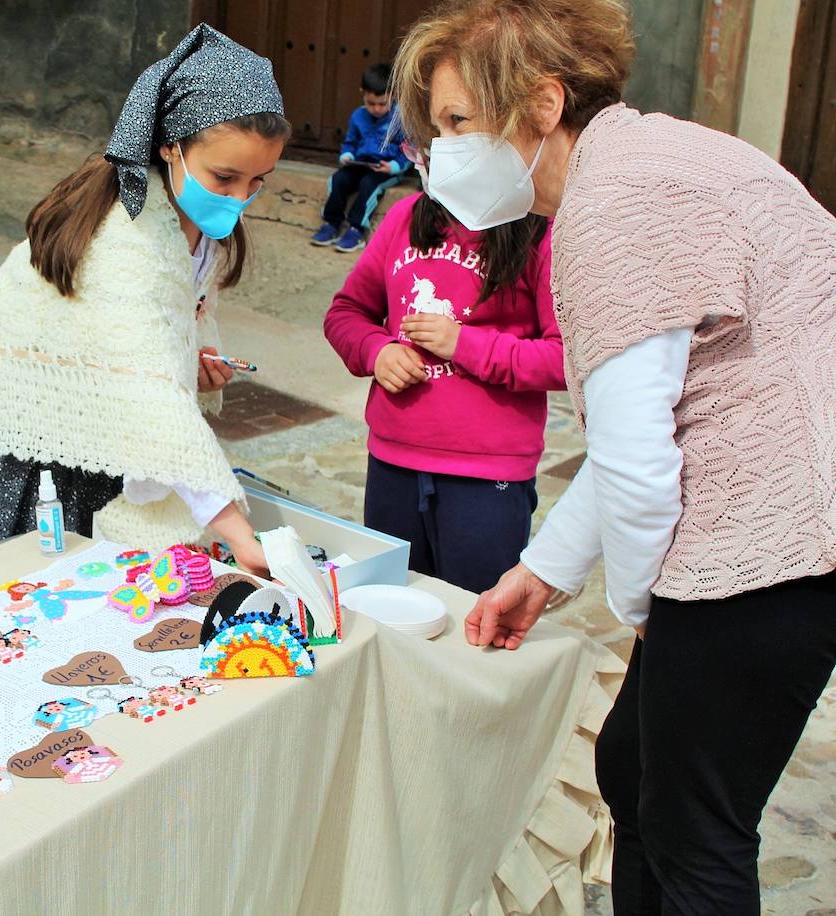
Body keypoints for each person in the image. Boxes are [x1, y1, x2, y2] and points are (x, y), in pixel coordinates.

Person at [390, 1, 836, 912]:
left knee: (693, 829)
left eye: (461, 122)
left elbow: (639, 465)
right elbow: (659, 420)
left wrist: (641, 612)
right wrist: (542, 572)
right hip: (790, 507)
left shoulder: (614, 206)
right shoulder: (658, 155)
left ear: (543, 103)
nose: (444, 153)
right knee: (632, 766)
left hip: (774, 535)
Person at [0, 25, 288, 575]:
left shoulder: (192, 223)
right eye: (225, 177)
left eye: (258, 181)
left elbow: (161, 336)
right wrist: (239, 534)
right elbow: (153, 406)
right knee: (2, 606)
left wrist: (189, 362)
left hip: (92, 448)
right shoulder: (126, 239)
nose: (240, 197)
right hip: (13, 459)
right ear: (170, 145)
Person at [323, 189, 563, 593]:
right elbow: (346, 312)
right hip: (392, 464)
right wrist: (376, 351)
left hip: (487, 478)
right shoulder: (406, 215)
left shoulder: (542, 231)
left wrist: (464, 345)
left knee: (476, 613)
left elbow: (564, 357)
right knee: (390, 604)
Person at [310, 63, 412, 253]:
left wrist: (394, 167)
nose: (377, 109)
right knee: (338, 179)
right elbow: (350, 141)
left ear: (393, 95)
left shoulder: (401, 119)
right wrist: (347, 155)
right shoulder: (358, 116)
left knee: (368, 185)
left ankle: (356, 229)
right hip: (360, 163)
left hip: (386, 168)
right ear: (363, 93)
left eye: (382, 104)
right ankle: (331, 223)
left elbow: (409, 149)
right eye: (371, 103)